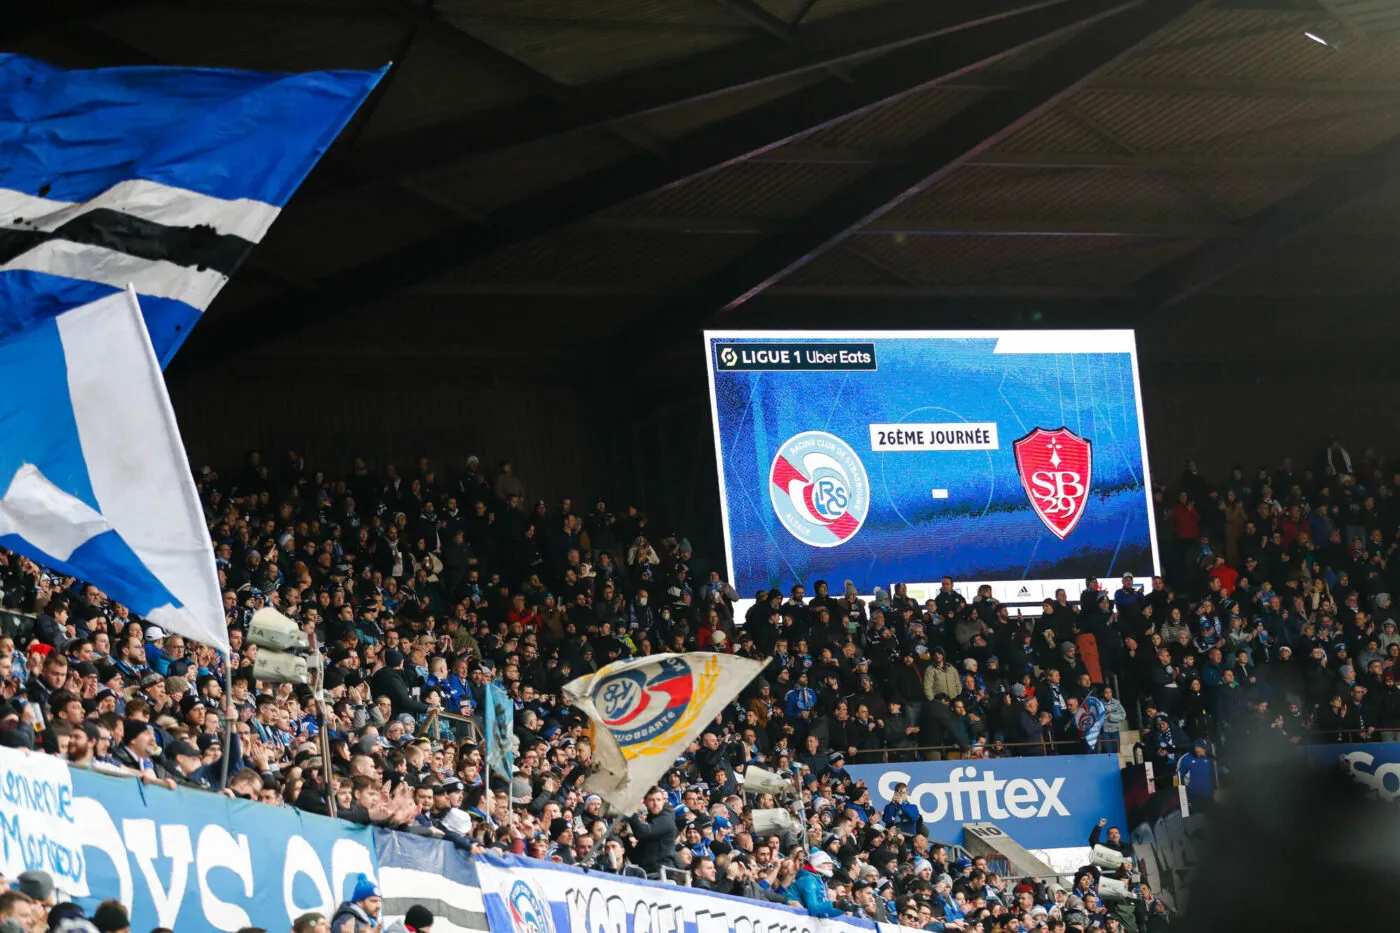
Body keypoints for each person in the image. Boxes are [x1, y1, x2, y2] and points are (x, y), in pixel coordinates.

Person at [626, 786, 678, 877]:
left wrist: (633, 813)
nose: (655, 803)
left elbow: (642, 833)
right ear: (645, 802)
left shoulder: (666, 819)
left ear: (664, 801)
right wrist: (624, 838)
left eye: (658, 800)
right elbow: (636, 857)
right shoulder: (651, 823)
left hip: (661, 876)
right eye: (651, 800)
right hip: (646, 874)